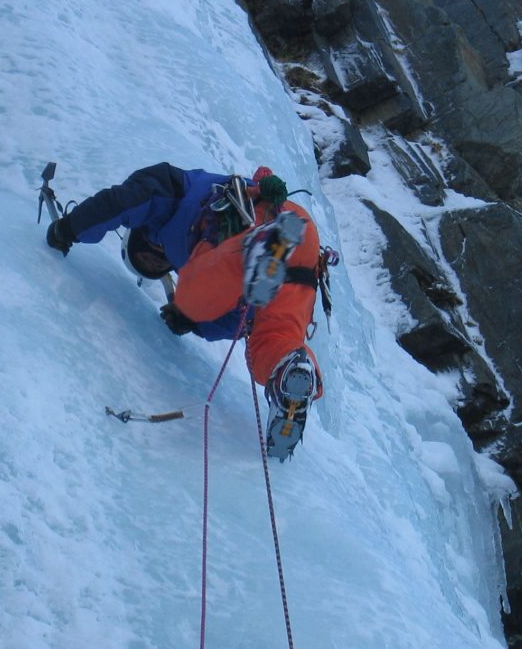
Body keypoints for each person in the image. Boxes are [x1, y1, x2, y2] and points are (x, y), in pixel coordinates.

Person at [45, 162, 325, 461]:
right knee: (271, 342)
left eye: (145, 258)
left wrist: (71, 227)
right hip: (302, 250)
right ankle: (290, 374)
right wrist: (193, 324)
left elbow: (121, 201)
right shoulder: (192, 257)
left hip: (260, 226)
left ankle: (260, 247)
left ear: (139, 236)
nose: (156, 261)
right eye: (153, 269)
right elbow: (232, 319)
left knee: (191, 293)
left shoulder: (170, 194)